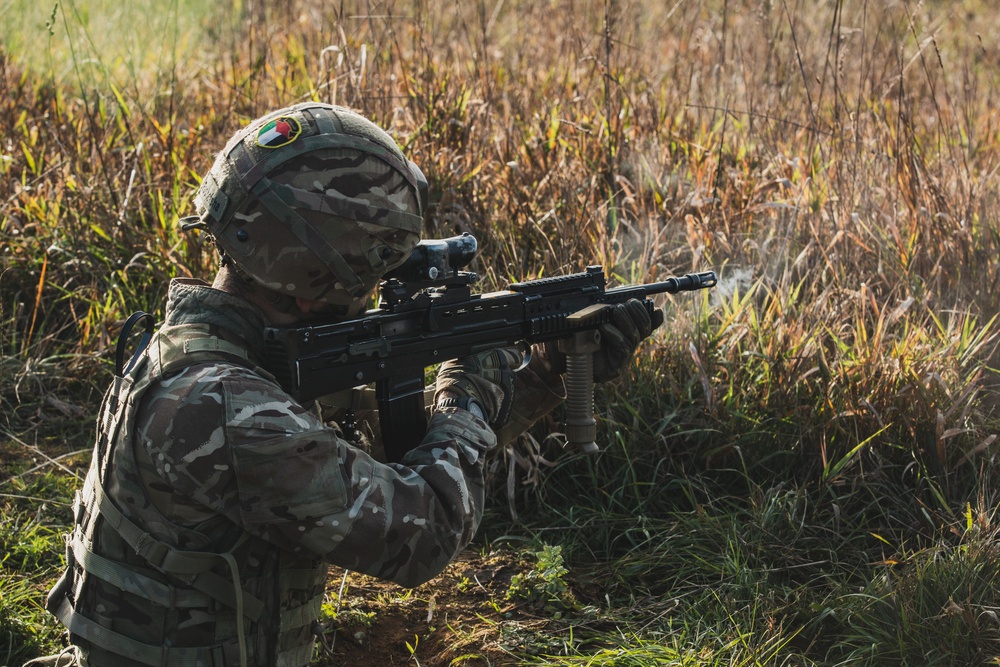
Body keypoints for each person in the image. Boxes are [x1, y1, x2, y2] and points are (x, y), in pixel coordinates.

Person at [28, 102, 661, 667]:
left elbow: (392, 451)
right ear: (318, 272)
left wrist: (546, 374)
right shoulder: (228, 409)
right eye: (375, 268)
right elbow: (421, 534)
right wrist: (468, 392)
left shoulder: (210, 351)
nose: (376, 288)